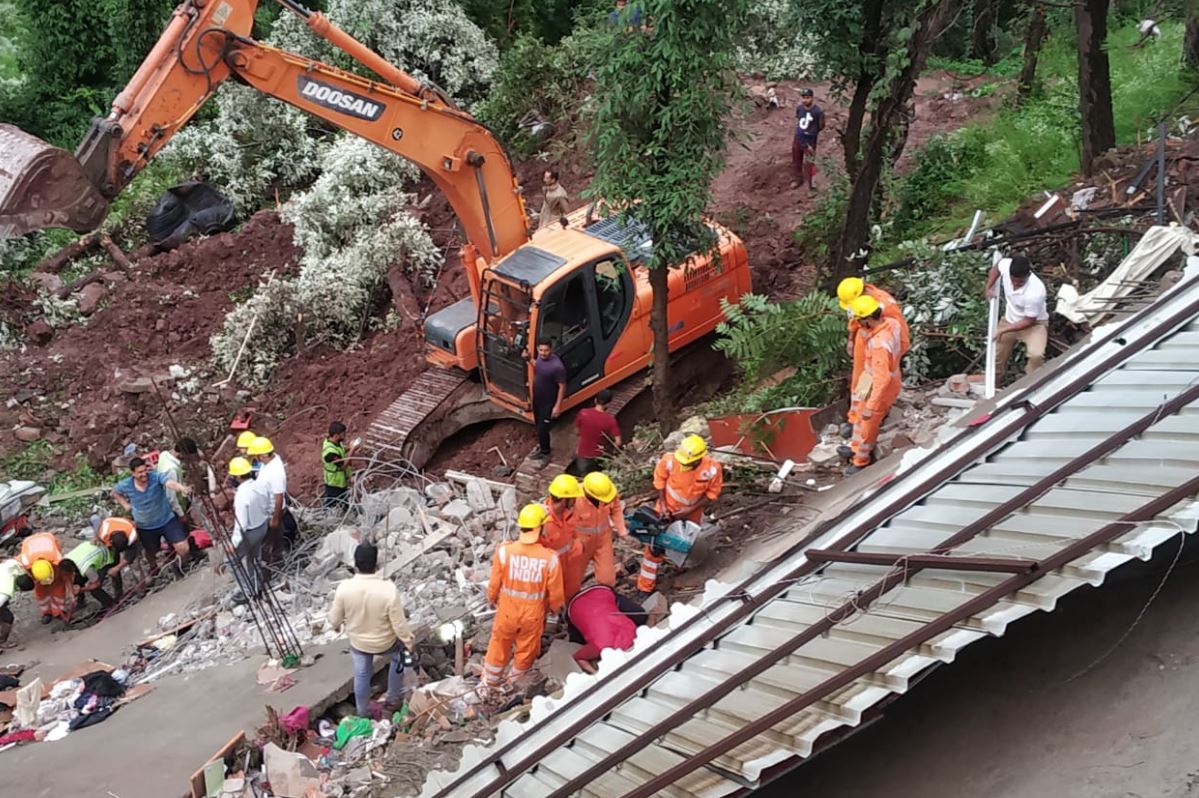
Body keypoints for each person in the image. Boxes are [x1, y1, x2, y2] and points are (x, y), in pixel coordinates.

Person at [483, 504, 566, 691]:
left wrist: (491, 598)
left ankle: (489, 682)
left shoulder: (505, 551)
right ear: (540, 528)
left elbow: (494, 583)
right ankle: (513, 684)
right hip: (532, 615)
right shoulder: (549, 558)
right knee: (525, 650)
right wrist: (555, 608)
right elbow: (556, 593)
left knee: (498, 645)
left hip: (506, 612)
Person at [328, 543, 416, 717]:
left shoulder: (344, 588)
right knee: (399, 659)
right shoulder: (388, 589)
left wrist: (337, 626)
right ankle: (392, 699)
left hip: (359, 643)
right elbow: (399, 624)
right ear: (376, 565)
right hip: (386, 642)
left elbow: (334, 620)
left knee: (361, 673)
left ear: (355, 564)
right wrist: (408, 641)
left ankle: (362, 711)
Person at [637, 434, 724, 595]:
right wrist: (663, 505)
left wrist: (690, 510)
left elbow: (712, 493)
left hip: (692, 512)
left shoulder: (712, 469)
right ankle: (645, 586)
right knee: (654, 547)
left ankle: (681, 568)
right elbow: (659, 482)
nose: (685, 465)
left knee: (686, 544)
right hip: (667, 508)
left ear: (699, 459)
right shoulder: (669, 461)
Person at [836, 277, 910, 453]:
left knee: (870, 414)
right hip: (871, 362)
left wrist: (870, 407)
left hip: (879, 368)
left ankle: (860, 455)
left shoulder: (886, 318)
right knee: (861, 391)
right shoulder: (870, 313)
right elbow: (856, 319)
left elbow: (882, 377)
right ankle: (855, 420)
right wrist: (853, 338)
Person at [846, 294, 903, 474]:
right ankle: (855, 447)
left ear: (868, 319)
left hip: (878, 384)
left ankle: (861, 459)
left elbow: (882, 379)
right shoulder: (892, 324)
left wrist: (872, 405)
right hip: (868, 377)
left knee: (867, 423)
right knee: (857, 409)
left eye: (860, 321)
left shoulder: (879, 344)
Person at [111, 456, 193, 575]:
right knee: (150, 551)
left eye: (145, 470)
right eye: (140, 472)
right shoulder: (126, 485)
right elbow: (114, 492)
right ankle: (154, 568)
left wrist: (182, 488)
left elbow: (169, 483)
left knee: (183, 548)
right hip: (145, 526)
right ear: (132, 473)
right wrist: (125, 505)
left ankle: (177, 565)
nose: (144, 474)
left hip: (167, 520)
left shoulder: (155, 477)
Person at [986, 255, 1049, 380]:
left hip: (1034, 324)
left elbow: (1028, 321)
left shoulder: (1036, 293)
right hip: (1010, 319)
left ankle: (1031, 383)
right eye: (1012, 280)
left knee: (1036, 355)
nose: (1015, 284)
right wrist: (988, 287)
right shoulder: (1006, 265)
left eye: (1020, 282)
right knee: (996, 355)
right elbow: (996, 268)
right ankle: (995, 383)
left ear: (1028, 276)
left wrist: (1003, 330)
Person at [565, 584, 645, 673]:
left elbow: (647, 626)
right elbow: (579, 658)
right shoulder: (598, 647)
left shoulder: (634, 632)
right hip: (575, 604)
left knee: (641, 617)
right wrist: (596, 674)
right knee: (578, 642)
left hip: (602, 591)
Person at [571, 472, 628, 590]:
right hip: (581, 543)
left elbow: (616, 508)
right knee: (574, 579)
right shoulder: (573, 499)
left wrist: (621, 529)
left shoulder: (607, 492)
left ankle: (606, 597)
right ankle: (572, 602)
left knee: (607, 579)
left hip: (603, 540)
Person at [228, 457, 271, 601]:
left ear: (239, 476)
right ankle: (257, 586)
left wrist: (233, 544)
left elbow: (241, 524)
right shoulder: (260, 485)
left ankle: (248, 591)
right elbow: (269, 505)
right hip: (262, 526)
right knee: (253, 558)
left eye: (233, 476)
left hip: (250, 532)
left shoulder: (241, 496)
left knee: (231, 561)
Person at [248, 436, 296, 559]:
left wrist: (275, 518)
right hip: (265, 510)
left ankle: (273, 564)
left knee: (270, 543)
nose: (256, 458)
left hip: (271, 513)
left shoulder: (275, 472)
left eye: (258, 455)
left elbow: (278, 497)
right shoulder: (271, 461)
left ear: (263, 455)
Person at [542, 474, 585, 598]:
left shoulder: (570, 513)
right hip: (554, 570)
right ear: (564, 499)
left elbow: (574, 533)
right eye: (573, 498)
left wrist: (578, 547)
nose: (576, 500)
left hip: (571, 563)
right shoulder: (543, 521)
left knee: (572, 595)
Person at [16, 532, 72, 623]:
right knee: (40, 589)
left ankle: (58, 611)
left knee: (58, 584)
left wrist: (69, 588)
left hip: (48, 542)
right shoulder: (25, 562)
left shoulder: (56, 558)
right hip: (32, 550)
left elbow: (65, 573)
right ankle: (47, 612)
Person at [570, 389, 622, 476]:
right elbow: (618, 442)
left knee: (584, 477)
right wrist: (612, 451)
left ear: (595, 400)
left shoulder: (583, 413)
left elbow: (576, 431)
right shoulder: (610, 420)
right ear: (608, 404)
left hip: (583, 455)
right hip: (599, 455)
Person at [532, 341, 567, 465]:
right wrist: (528, 360)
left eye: (546, 350)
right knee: (537, 425)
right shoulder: (540, 359)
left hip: (548, 403)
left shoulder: (557, 367)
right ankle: (542, 447)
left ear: (551, 349)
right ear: (537, 349)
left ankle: (545, 453)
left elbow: (562, 386)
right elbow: (538, 366)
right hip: (537, 400)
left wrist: (557, 406)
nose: (543, 353)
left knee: (543, 429)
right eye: (541, 350)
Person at [62, 538, 118, 612]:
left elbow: (97, 584)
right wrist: (71, 591)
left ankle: (111, 605)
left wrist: (81, 590)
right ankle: (81, 602)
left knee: (94, 590)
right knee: (76, 580)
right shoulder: (66, 559)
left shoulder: (86, 568)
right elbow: (67, 577)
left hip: (107, 556)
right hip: (93, 551)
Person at [94, 516, 140, 598]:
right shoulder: (103, 534)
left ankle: (141, 587)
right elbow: (99, 538)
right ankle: (118, 592)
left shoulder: (132, 535)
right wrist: (114, 567)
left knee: (135, 564)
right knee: (112, 563)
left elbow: (130, 555)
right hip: (111, 535)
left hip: (129, 538)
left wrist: (118, 568)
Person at [792, 88, 825, 191]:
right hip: (798, 138)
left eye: (807, 98)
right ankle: (798, 179)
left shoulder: (817, 111)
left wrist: (812, 133)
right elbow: (798, 119)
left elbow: (822, 125)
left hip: (810, 140)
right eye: (803, 98)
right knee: (796, 160)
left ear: (812, 98)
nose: (805, 100)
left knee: (810, 163)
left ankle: (812, 185)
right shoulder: (799, 108)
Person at [322, 421, 358, 511]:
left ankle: (346, 512)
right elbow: (342, 466)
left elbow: (341, 450)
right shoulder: (329, 453)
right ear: (336, 435)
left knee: (343, 502)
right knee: (332, 504)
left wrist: (350, 447)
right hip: (334, 483)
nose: (345, 435)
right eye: (343, 434)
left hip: (340, 482)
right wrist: (352, 451)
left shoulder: (336, 442)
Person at [0, 559, 34, 647]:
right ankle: (2, 641)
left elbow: (6, 560)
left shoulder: (14, 565)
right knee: (8, 618)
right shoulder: (6, 592)